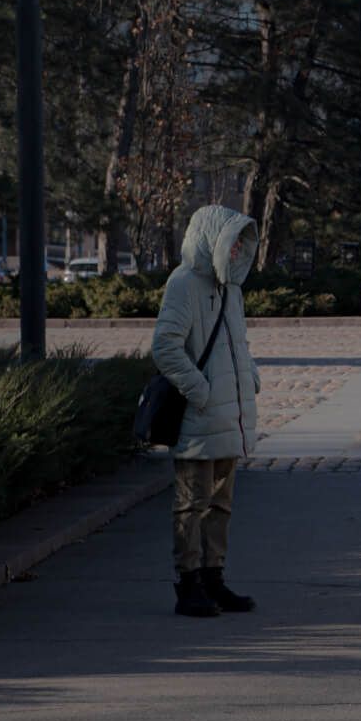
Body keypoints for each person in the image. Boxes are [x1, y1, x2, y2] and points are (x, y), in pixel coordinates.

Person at [152, 204, 261, 619]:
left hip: (228, 417)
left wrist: (250, 377)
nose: (236, 251)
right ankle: (189, 583)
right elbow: (165, 347)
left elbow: (238, 344)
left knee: (220, 505)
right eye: (231, 243)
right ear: (211, 240)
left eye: (240, 245)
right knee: (191, 504)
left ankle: (214, 578)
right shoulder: (183, 284)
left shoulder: (231, 288)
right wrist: (200, 391)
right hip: (199, 418)